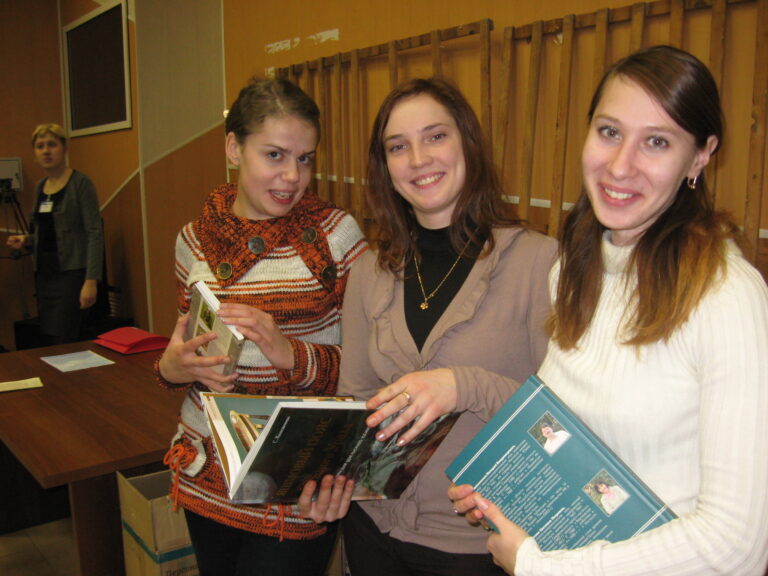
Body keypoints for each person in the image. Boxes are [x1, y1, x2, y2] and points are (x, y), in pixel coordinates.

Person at [449, 45, 768, 575]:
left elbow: (736, 547)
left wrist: (539, 566)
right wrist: (508, 495)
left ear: (700, 156)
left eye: (657, 142)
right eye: (609, 132)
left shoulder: (727, 297)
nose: (620, 166)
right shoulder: (575, 269)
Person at [299, 77, 557, 576]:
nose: (418, 159)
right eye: (398, 147)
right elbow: (358, 405)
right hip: (372, 532)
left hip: (479, 546)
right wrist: (332, 483)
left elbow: (563, 423)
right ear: (385, 168)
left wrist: (464, 385)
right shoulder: (369, 271)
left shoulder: (539, 262)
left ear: (468, 144)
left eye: (435, 136)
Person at [155, 77, 367, 576]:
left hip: (295, 480)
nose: (293, 176)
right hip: (207, 470)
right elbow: (183, 351)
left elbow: (370, 369)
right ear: (234, 148)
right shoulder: (193, 240)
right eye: (274, 155)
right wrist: (173, 368)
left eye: (305, 159)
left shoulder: (336, 236)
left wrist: (290, 353)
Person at [6, 123, 104, 344]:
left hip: (72, 274)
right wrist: (26, 240)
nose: (46, 151)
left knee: (66, 337)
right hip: (45, 273)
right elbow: (47, 232)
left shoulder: (80, 184)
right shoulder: (40, 186)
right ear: (35, 153)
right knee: (50, 336)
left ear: (64, 148)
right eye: (40, 146)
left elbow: (94, 233)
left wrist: (91, 280)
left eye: (52, 144)